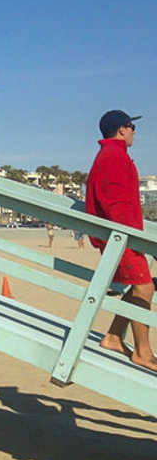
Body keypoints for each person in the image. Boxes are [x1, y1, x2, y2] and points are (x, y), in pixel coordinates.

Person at [85, 109, 157, 371]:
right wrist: (133, 239)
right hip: (121, 237)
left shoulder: (113, 155)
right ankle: (143, 352)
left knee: (139, 286)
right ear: (121, 129)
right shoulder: (114, 157)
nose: (134, 132)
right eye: (131, 127)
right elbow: (116, 205)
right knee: (144, 287)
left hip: (121, 236)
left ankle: (114, 336)